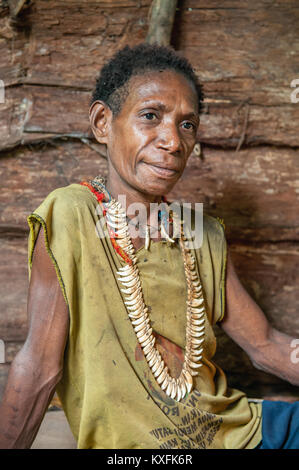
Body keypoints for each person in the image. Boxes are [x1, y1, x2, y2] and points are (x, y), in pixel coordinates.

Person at [0, 43, 298, 450]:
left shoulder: (201, 231)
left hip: (249, 432)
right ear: (103, 122)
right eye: (150, 116)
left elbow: (266, 345)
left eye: (187, 124)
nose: (173, 142)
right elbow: (38, 367)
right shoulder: (72, 214)